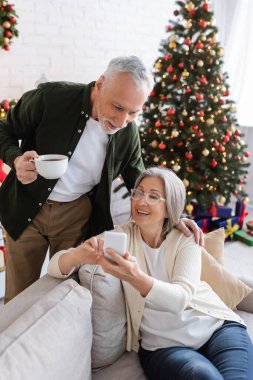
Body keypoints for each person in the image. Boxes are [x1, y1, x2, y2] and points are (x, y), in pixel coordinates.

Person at [0, 56, 202, 303]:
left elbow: (139, 179)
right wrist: (16, 159)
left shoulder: (127, 132)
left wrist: (174, 214)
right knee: (18, 297)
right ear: (100, 84)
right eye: (117, 107)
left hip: (75, 214)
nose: (121, 122)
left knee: (63, 294)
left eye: (133, 113)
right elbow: (4, 129)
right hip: (26, 204)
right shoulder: (51, 98)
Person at [48, 167, 253, 380]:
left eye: (153, 196)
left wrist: (135, 277)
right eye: (138, 192)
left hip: (217, 328)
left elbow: (180, 299)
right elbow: (54, 267)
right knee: (203, 377)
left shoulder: (185, 237)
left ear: (169, 207)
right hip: (164, 347)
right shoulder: (120, 236)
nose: (141, 201)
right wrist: (77, 255)